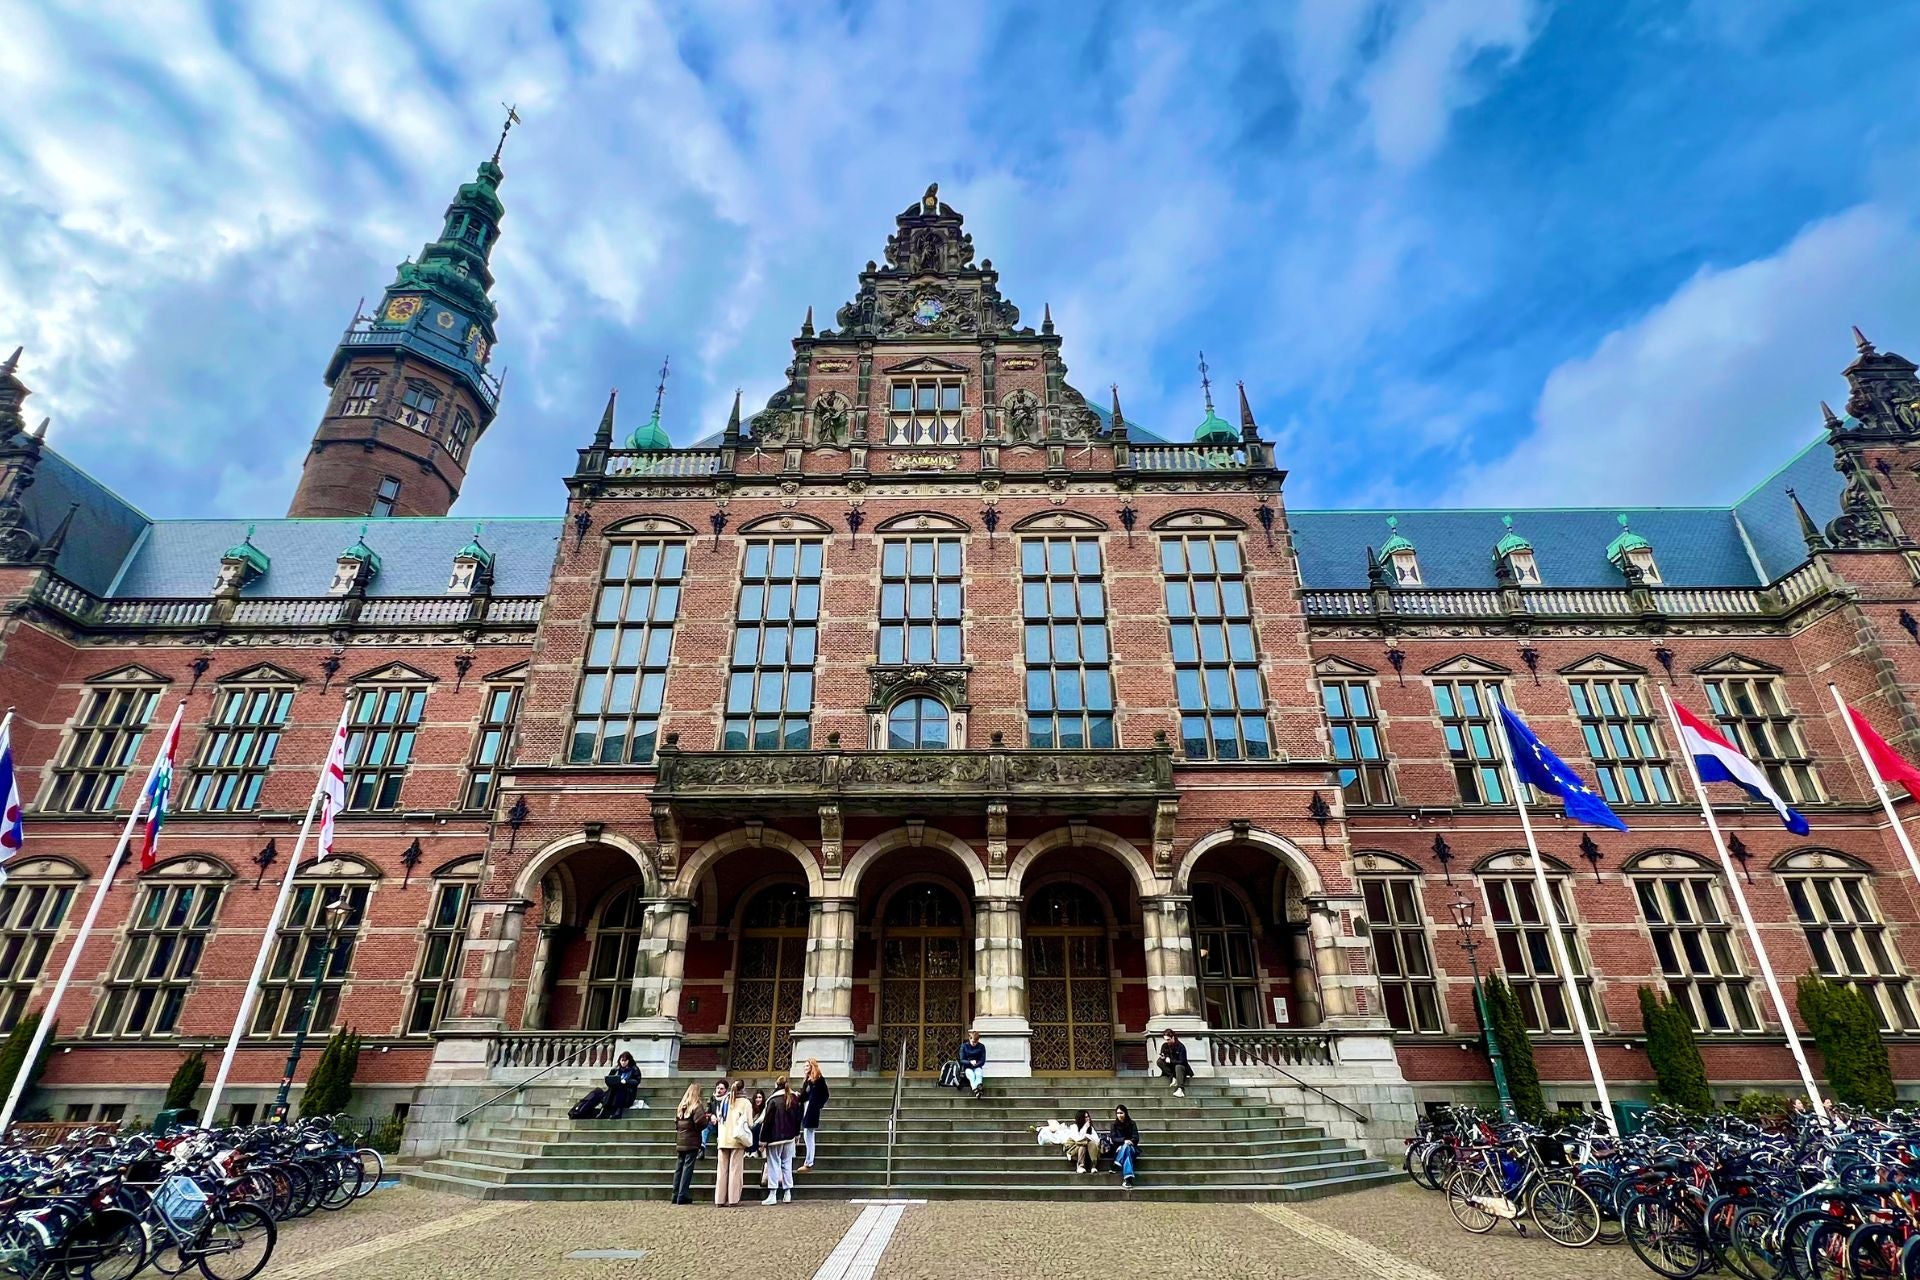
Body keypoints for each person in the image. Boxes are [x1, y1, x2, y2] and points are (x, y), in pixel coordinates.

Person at [759, 1077, 801, 1204]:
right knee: (787, 1164)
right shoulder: (794, 1098)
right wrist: (797, 1134)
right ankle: (787, 1193)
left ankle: (773, 1194)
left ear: (776, 1084)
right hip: (789, 1137)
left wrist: (762, 1140)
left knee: (773, 1164)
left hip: (775, 1137)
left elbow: (768, 1121)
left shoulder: (773, 1100)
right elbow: (798, 1118)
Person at [713, 1077, 752, 1207]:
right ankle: (733, 1199)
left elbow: (720, 1118)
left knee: (722, 1171)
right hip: (737, 1140)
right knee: (735, 1170)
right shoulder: (745, 1102)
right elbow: (750, 1123)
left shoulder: (724, 1100)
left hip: (723, 1139)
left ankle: (719, 1199)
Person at [670, 1083, 708, 1204]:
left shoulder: (681, 1106)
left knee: (679, 1167)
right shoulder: (696, 1106)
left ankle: (675, 1194)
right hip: (692, 1140)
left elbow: (676, 1123)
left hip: (681, 1140)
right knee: (687, 1168)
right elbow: (701, 1123)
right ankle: (682, 1194)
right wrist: (706, 1120)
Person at [798, 1058, 830, 1173]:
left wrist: (818, 1105)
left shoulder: (819, 1079)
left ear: (812, 1067)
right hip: (806, 1109)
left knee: (809, 1136)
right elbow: (804, 1095)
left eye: (807, 1066)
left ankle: (809, 1163)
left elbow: (825, 1094)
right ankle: (808, 1162)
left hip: (812, 1110)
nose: (805, 1068)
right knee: (807, 1136)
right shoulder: (807, 1080)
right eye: (804, 1066)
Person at [1107, 1104, 1141, 1189]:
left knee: (1127, 1148)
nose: (1119, 1115)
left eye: (1121, 1113)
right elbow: (1113, 1138)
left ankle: (1117, 1163)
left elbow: (1136, 1138)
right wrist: (1124, 1142)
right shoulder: (1113, 1125)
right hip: (1118, 1150)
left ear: (1125, 1113)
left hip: (1132, 1148)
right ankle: (1128, 1179)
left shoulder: (1132, 1123)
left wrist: (1128, 1143)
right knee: (1127, 1153)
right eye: (1118, 1113)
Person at [604, 1051, 643, 1118]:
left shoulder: (634, 1069)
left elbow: (636, 1081)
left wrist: (626, 1081)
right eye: (622, 1061)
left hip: (628, 1094)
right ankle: (604, 1109)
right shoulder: (616, 1069)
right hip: (614, 1093)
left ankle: (618, 1111)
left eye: (625, 1061)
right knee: (612, 1088)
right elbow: (609, 1079)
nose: (623, 1063)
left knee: (621, 1088)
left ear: (629, 1061)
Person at [1063, 1109, 1100, 1175]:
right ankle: (1080, 1166)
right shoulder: (1074, 1127)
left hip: (1088, 1152)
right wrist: (1085, 1128)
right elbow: (1078, 1139)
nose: (1088, 1119)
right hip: (1074, 1150)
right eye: (1085, 1117)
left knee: (1091, 1143)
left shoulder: (1090, 1128)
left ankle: (1093, 1166)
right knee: (1082, 1144)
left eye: (1088, 1117)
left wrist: (1087, 1136)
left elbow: (1097, 1140)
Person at [1156, 1031, 1192, 1098]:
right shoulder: (1165, 1045)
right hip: (1170, 1068)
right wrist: (1164, 1057)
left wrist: (1171, 1061)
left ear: (1173, 1037)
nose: (1167, 1041)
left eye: (1168, 1039)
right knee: (1159, 1061)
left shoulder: (1181, 1046)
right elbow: (1164, 1054)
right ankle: (1173, 1077)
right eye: (1165, 1039)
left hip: (1180, 1068)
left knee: (1178, 1066)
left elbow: (1183, 1061)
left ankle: (1180, 1089)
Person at [959, 1030, 987, 1098]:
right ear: (970, 1039)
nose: (974, 1044)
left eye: (976, 1042)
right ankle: (978, 1089)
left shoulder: (981, 1046)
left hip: (977, 1066)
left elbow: (982, 1060)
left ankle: (976, 1088)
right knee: (972, 1075)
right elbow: (962, 1060)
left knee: (978, 1074)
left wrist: (976, 1064)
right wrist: (970, 1062)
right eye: (973, 1042)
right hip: (967, 1067)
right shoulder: (964, 1046)